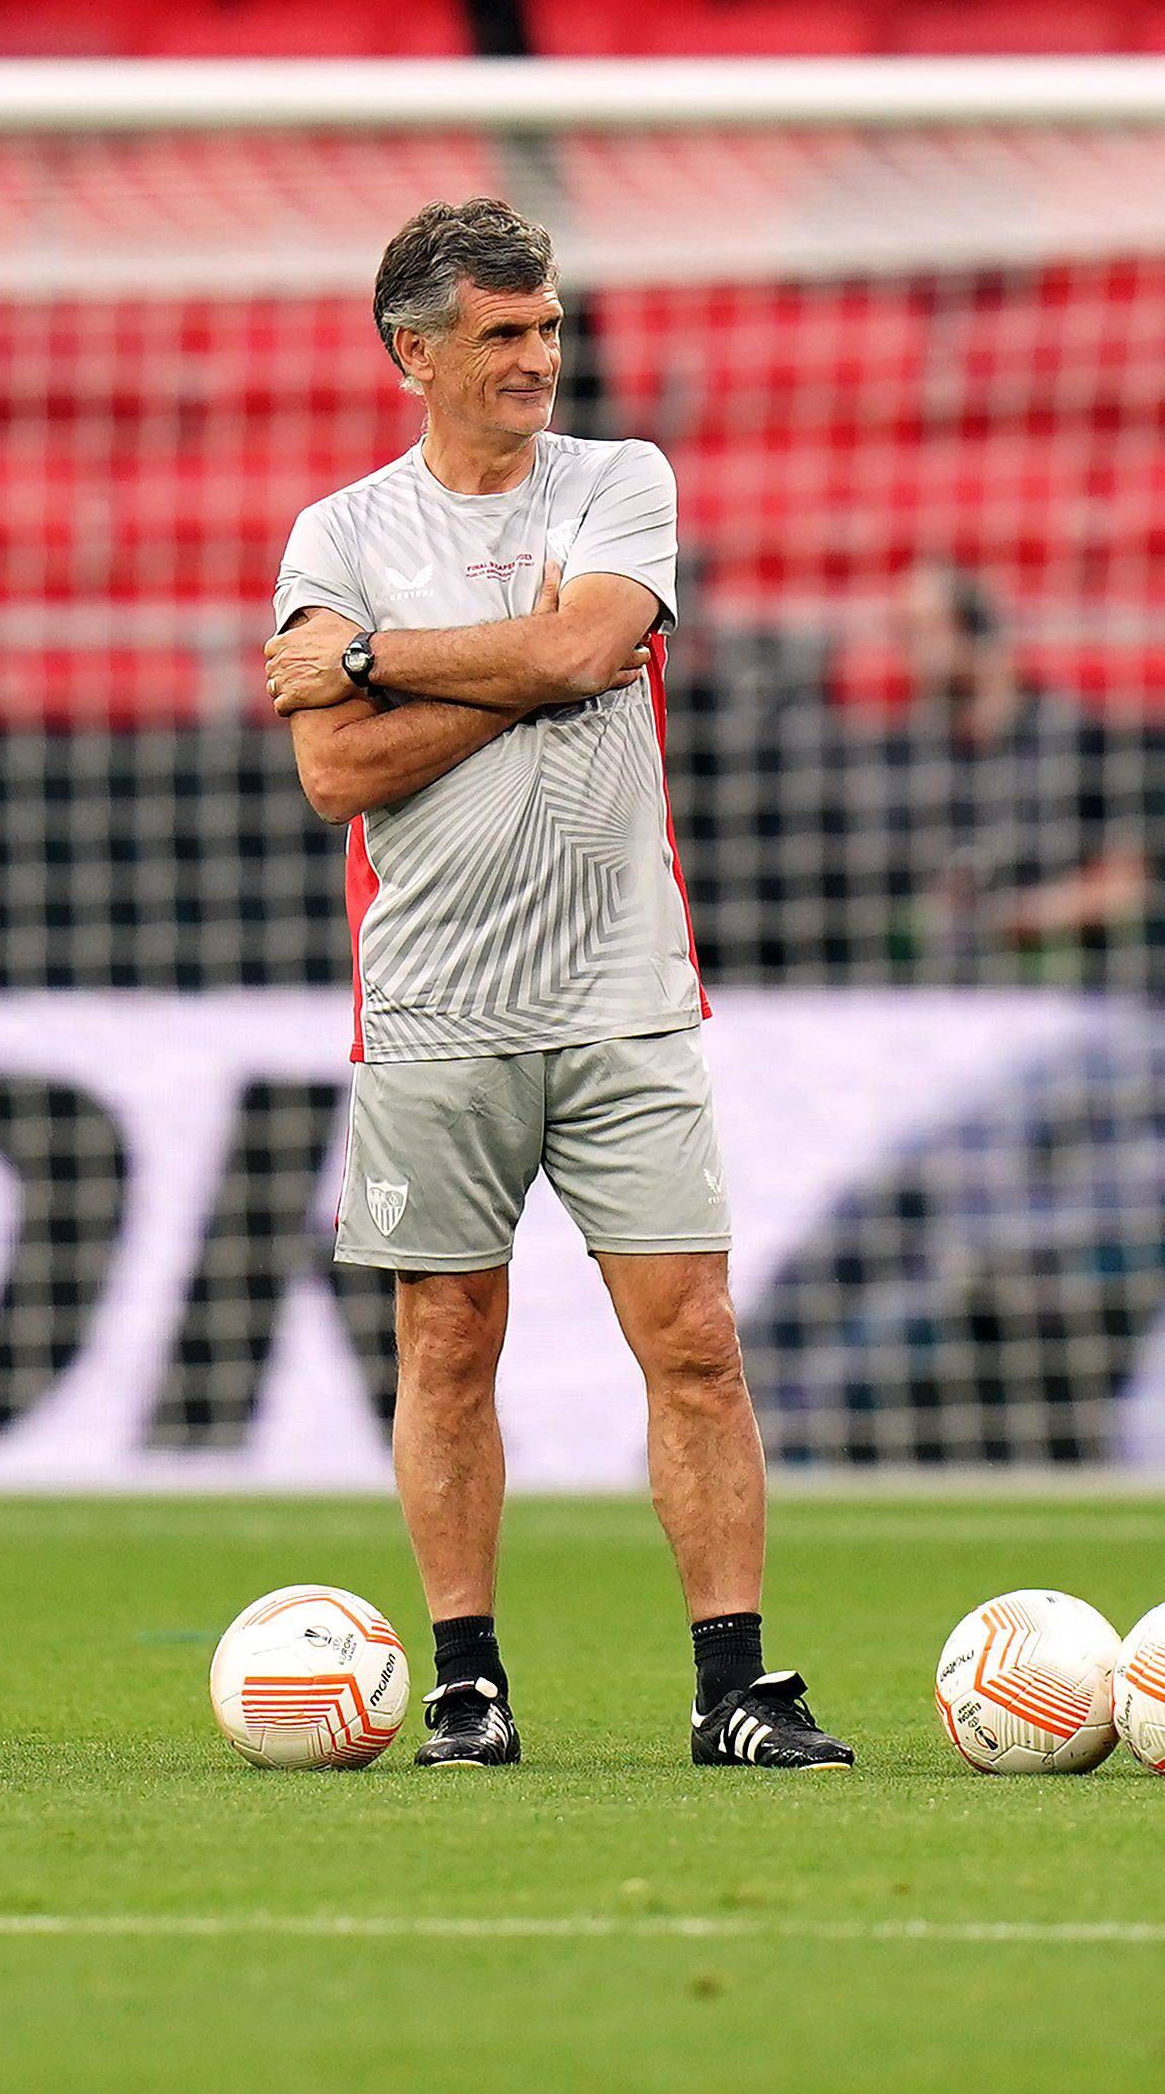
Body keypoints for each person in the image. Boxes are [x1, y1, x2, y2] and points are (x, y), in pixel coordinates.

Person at [259, 197, 851, 1773]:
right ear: (416, 355)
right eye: (504, 335)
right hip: (436, 1004)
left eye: (548, 329)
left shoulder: (621, 478)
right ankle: (466, 1680)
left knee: (699, 1339)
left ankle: (736, 1682)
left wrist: (387, 659)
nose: (539, 360)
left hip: (623, 995)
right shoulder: (338, 533)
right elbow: (331, 777)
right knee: (448, 1341)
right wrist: (507, 656)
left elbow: (590, 654)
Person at [864, 563, 1152, 980]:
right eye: (903, 635)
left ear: (977, 630)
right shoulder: (906, 748)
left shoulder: (1073, 737)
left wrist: (1030, 916)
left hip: (1061, 984)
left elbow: (1127, 882)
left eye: (925, 631)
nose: (912, 651)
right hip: (933, 994)